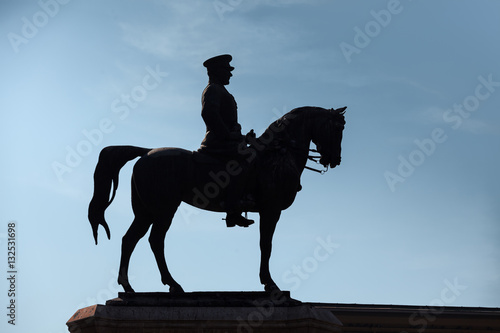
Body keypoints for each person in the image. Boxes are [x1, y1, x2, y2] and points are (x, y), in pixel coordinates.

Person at [198, 54, 254, 228]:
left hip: (227, 141)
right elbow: (209, 114)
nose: (230, 74)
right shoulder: (213, 89)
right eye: (227, 70)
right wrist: (229, 136)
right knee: (243, 163)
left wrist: (243, 138)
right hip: (218, 142)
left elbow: (226, 122)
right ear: (216, 71)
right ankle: (233, 211)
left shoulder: (220, 90)